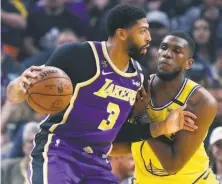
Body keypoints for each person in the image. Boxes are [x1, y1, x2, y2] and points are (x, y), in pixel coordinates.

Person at [6, 5, 197, 184]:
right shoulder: (78, 55)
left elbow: (118, 133)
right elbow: (17, 96)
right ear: (121, 34)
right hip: (59, 151)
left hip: (97, 161)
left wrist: (162, 126)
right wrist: (17, 87)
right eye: (142, 31)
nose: (148, 37)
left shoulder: (139, 77)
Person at [112, 32, 218, 183]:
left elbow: (172, 165)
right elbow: (124, 143)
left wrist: (141, 116)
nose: (167, 54)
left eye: (177, 51)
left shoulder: (200, 101)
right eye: (164, 47)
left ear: (188, 63)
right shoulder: (136, 86)